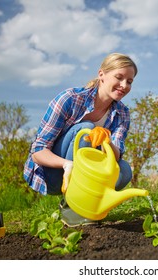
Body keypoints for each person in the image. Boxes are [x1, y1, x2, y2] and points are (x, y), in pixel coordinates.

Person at [24, 53, 137, 225]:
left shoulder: (122, 113)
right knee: (86, 130)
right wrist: (67, 164)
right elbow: (38, 151)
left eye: (129, 81)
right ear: (102, 75)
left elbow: (116, 155)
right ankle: (71, 206)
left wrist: (106, 140)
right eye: (119, 77)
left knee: (124, 170)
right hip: (56, 174)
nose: (124, 85)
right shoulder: (70, 99)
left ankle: (88, 204)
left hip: (87, 175)